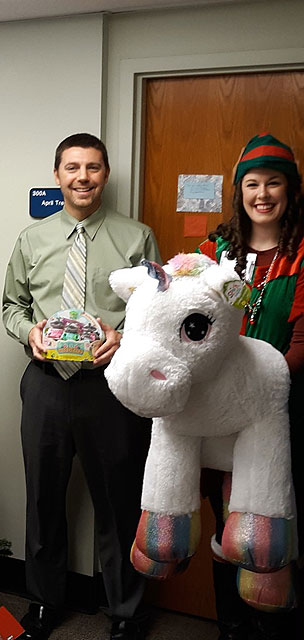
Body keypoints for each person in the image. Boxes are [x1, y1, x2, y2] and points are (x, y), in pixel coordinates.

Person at [1, 133, 160, 640]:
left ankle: (126, 611)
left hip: (111, 387)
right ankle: (46, 602)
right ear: (57, 175)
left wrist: (124, 335)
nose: (82, 177)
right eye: (72, 168)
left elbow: (156, 313)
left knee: (118, 500)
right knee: (43, 498)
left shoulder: (136, 238)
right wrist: (28, 332)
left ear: (105, 175)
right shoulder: (32, 239)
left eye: (92, 168)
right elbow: (12, 305)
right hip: (46, 383)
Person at [198, 132, 304, 640]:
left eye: (274, 183)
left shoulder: (303, 254)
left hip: (284, 415)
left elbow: (303, 339)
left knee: (272, 532)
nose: (262, 194)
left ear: (291, 190)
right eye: (252, 183)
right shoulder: (216, 251)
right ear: (240, 191)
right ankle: (231, 629)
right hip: (222, 419)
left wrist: (262, 392)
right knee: (228, 531)